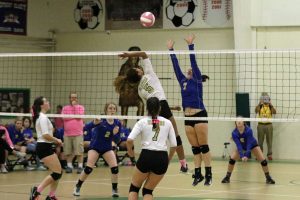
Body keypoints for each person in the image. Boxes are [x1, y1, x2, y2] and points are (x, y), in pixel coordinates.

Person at [118, 50, 188, 173]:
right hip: (163, 106)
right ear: (139, 73)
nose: (140, 68)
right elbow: (143, 54)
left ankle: (150, 162)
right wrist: (129, 55)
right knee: (175, 137)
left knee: (156, 139)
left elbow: (153, 104)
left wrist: (171, 108)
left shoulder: (139, 90)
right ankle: (183, 164)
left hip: (154, 111)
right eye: (138, 69)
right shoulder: (149, 74)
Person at [167, 34, 212, 186]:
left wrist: (190, 45)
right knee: (195, 148)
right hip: (188, 118)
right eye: (188, 70)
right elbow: (176, 67)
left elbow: (193, 61)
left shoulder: (197, 80)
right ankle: (198, 174)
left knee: (203, 146)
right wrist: (171, 50)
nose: (189, 69)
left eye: (191, 69)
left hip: (199, 114)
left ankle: (209, 175)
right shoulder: (183, 81)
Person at [127, 97, 177, 200]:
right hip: (162, 157)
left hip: (146, 155)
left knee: (134, 188)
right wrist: (168, 159)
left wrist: (131, 156)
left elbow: (129, 140)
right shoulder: (168, 122)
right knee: (148, 191)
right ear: (159, 108)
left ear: (147, 108)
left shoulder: (142, 122)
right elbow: (174, 145)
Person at [73, 102, 121, 197]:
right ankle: (77, 186)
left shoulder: (117, 122)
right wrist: (94, 122)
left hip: (107, 148)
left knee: (115, 168)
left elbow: (117, 140)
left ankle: (114, 189)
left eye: (114, 109)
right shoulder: (101, 119)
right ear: (106, 110)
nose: (112, 110)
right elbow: (86, 127)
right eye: (110, 108)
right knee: (88, 169)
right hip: (95, 147)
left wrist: (115, 134)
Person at [221, 118, 275, 184]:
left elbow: (249, 143)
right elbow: (238, 145)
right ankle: (227, 177)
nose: (239, 122)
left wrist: (246, 155)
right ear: (235, 123)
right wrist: (241, 156)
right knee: (232, 160)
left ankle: (268, 178)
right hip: (242, 147)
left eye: (240, 121)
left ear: (243, 122)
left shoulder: (249, 130)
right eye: (237, 121)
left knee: (263, 161)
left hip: (253, 145)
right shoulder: (234, 133)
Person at [30, 96, 63, 200]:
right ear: (41, 105)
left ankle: (51, 196)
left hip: (45, 146)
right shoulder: (42, 117)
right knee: (57, 173)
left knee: (58, 172)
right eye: (46, 101)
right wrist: (56, 140)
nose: (48, 102)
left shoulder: (42, 116)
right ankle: (37, 191)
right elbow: (45, 135)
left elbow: (47, 133)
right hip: (43, 146)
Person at [114, 46, 144, 127]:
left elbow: (142, 81)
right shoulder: (125, 66)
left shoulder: (139, 68)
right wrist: (128, 77)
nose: (134, 57)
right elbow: (119, 79)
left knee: (141, 104)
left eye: (136, 55)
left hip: (135, 93)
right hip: (126, 93)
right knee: (124, 110)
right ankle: (123, 128)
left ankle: (139, 125)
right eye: (132, 55)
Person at [62, 92, 85, 174]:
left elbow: (79, 117)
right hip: (67, 134)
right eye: (72, 97)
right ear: (70, 98)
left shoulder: (81, 107)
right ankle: (69, 166)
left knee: (79, 152)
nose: (74, 99)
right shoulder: (65, 108)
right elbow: (64, 118)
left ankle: (80, 167)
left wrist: (75, 107)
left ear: (77, 99)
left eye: (75, 97)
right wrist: (74, 116)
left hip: (78, 133)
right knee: (68, 152)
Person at [255, 93, 276, 160]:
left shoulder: (270, 106)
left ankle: (269, 155)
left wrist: (270, 104)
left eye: (267, 98)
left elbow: (274, 112)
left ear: (269, 99)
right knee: (260, 141)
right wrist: (259, 103)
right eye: (264, 98)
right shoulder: (260, 106)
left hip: (269, 125)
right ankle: (259, 155)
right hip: (261, 125)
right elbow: (256, 111)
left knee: (269, 141)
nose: (265, 100)